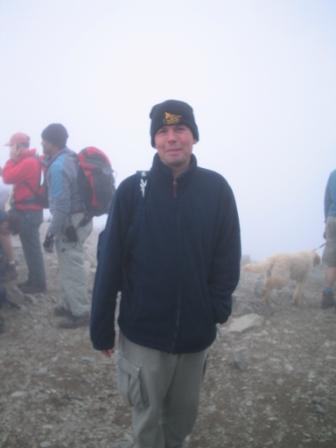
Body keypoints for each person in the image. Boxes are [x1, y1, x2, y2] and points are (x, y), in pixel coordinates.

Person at [90, 99, 241, 448]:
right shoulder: (132, 191)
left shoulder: (216, 190)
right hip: (142, 334)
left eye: (180, 129)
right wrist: (101, 327)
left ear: (193, 136)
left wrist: (216, 309)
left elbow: (226, 255)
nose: (172, 137)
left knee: (181, 418)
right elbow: (109, 261)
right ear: (154, 141)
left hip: (195, 336)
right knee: (146, 419)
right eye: (163, 131)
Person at [41, 123, 93, 329]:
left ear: (51, 142)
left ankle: (80, 311)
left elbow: (61, 206)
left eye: (43, 141)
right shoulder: (71, 158)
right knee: (67, 261)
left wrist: (50, 234)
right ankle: (66, 303)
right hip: (81, 218)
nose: (42, 144)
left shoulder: (57, 166)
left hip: (70, 222)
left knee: (72, 265)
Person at [2, 132, 46, 293]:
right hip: (28, 211)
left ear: (18, 147)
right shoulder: (29, 160)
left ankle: (38, 283)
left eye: (11, 147)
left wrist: (10, 160)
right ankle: (34, 280)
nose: (10, 151)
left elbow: (7, 177)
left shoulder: (28, 162)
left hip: (28, 212)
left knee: (31, 248)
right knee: (30, 247)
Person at [321, 169, 336, 309]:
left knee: (332, 261)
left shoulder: (333, 174)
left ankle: (327, 296)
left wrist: (326, 222)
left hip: (332, 218)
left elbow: (327, 200)